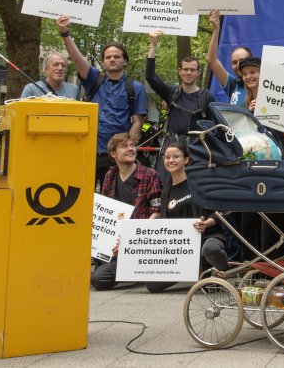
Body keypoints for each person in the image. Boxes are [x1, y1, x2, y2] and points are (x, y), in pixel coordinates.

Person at [57, 16, 147, 187]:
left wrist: (127, 149)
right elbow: (76, 58)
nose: (112, 59)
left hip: (115, 158)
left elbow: (137, 122)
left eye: (117, 56)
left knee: (114, 202)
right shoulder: (94, 79)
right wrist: (65, 33)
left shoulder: (135, 87)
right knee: (83, 198)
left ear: (125, 61)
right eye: (108, 57)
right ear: (104, 61)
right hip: (87, 152)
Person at [145, 142, 229, 292]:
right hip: (181, 249)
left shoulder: (198, 184)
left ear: (186, 160)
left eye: (176, 157)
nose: (171, 160)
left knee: (211, 249)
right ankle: (196, 273)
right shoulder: (166, 191)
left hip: (207, 237)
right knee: (152, 285)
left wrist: (207, 224)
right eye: (167, 157)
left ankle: (223, 273)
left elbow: (221, 210)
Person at [91, 133, 161, 291]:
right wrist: (108, 242)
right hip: (115, 241)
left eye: (132, 145)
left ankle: (133, 268)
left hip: (140, 243)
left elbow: (156, 213)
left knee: (99, 279)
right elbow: (105, 213)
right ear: (113, 154)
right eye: (124, 146)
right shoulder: (110, 176)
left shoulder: (150, 175)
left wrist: (130, 241)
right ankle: (129, 269)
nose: (131, 149)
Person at [144, 30, 212, 183]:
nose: (188, 72)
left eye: (192, 69)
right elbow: (150, 77)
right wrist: (153, 45)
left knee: (193, 189)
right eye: (185, 69)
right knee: (164, 185)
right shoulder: (171, 92)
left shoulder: (207, 96)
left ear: (198, 73)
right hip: (171, 148)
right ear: (179, 71)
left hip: (195, 151)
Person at [206, 9, 252, 104]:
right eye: (234, 62)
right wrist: (216, 29)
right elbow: (211, 60)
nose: (238, 64)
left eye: (242, 60)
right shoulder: (233, 85)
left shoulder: (264, 86)